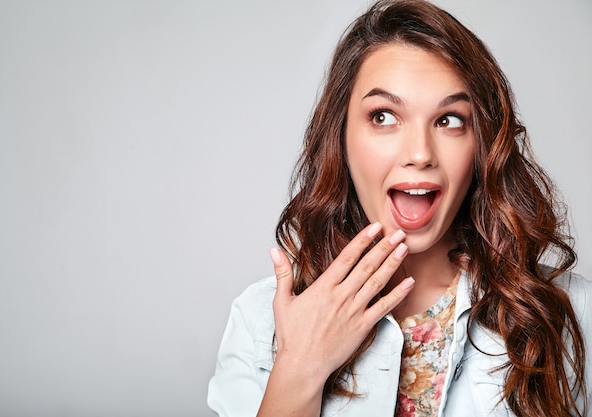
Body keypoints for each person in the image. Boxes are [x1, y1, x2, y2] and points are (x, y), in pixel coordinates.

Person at [207, 0, 592, 416]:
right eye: (384, 116)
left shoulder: (566, 309)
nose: (420, 153)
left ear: (480, 146)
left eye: (449, 120)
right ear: (341, 139)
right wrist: (299, 366)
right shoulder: (260, 320)